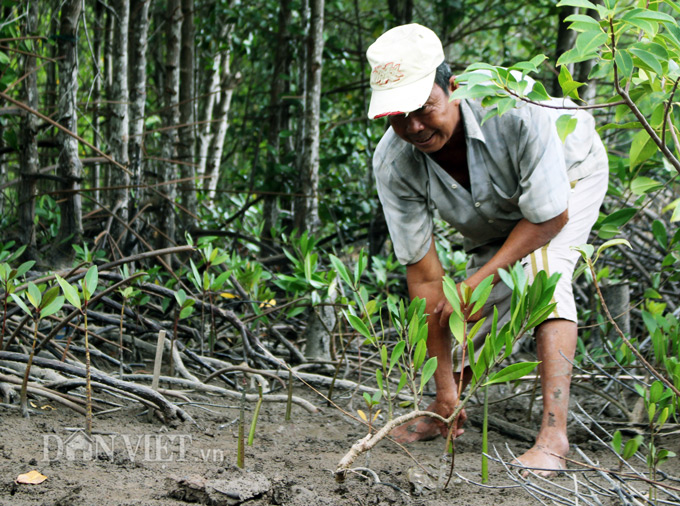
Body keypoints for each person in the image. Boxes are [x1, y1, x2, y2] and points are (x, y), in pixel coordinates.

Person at [366, 23, 608, 477]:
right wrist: (442, 388)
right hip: (499, 212)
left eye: (424, 108)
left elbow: (550, 218)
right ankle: (447, 407)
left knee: (542, 275)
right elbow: (423, 278)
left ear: (452, 88)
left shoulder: (515, 108)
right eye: (398, 116)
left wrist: (480, 278)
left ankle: (554, 438)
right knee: (467, 305)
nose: (413, 127)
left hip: (570, 175)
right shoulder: (394, 163)